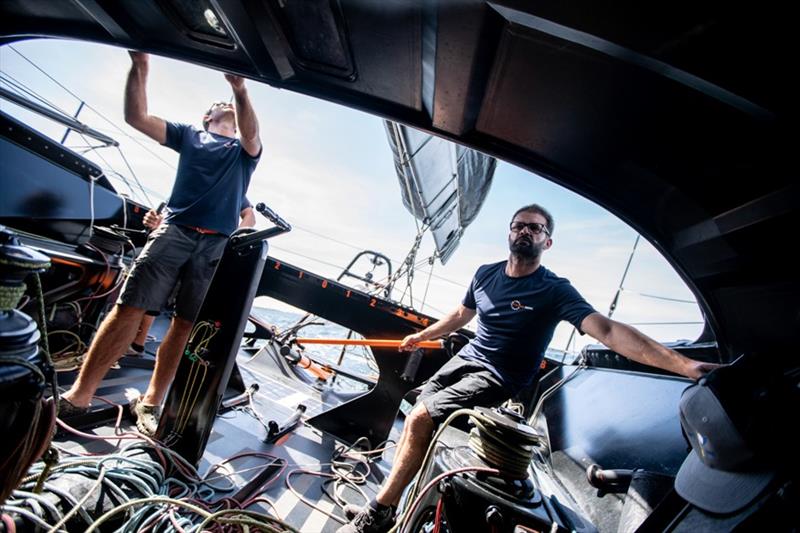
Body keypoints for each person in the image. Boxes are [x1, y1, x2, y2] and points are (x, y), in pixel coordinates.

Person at [338, 204, 720, 533]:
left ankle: (379, 514)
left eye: (535, 228)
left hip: (500, 375)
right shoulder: (485, 273)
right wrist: (423, 336)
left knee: (422, 417)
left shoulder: (554, 290)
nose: (525, 231)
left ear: (546, 242)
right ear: (509, 233)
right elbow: (461, 314)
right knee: (415, 405)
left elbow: (606, 329)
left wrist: (685, 365)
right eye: (519, 225)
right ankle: (400, 504)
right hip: (468, 357)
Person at [58, 50, 261, 436]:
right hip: (175, 232)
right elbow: (137, 117)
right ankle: (79, 396)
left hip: (215, 247)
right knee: (128, 309)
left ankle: (151, 402)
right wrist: (141, 65)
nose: (226, 108)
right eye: (219, 106)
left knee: (185, 325)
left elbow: (252, 134)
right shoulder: (189, 136)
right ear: (207, 118)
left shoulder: (243, 154)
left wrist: (239, 89)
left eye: (230, 106)